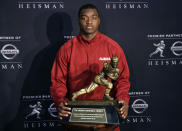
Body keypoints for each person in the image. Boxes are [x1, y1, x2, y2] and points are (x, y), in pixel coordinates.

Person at [50, 3, 130, 131]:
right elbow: (58, 81)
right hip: (77, 117)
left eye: (93, 17)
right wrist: (60, 101)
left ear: (99, 20)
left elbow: (123, 79)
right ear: (78, 21)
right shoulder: (66, 49)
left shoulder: (112, 47)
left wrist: (123, 100)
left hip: (106, 119)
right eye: (84, 18)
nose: (89, 22)